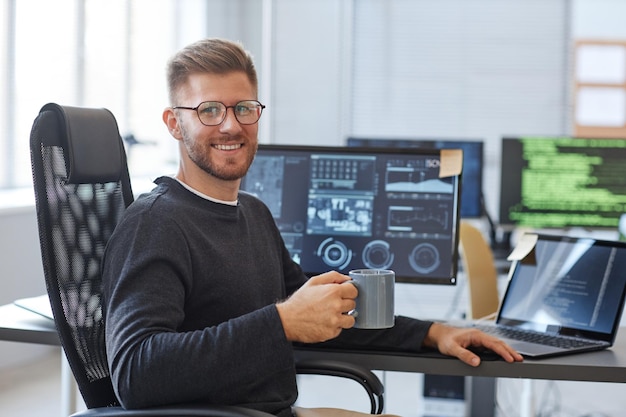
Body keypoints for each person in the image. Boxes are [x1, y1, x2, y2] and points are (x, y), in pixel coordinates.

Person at [101, 38, 523, 417]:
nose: (231, 125)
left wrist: (433, 332)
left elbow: (324, 311)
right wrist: (282, 322)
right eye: (209, 110)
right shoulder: (156, 223)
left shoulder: (252, 212)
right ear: (174, 123)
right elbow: (136, 372)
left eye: (244, 108)